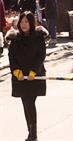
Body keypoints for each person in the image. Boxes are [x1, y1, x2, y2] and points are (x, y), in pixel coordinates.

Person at [6, 11, 48, 141]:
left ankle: (33, 134)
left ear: (31, 23)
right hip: (20, 78)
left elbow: (41, 56)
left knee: (29, 102)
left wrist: (33, 71)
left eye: (26, 21)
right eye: (21, 22)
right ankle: (31, 132)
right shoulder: (14, 39)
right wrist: (16, 71)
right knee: (26, 103)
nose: (23, 24)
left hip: (34, 76)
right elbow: (11, 58)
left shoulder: (38, 37)